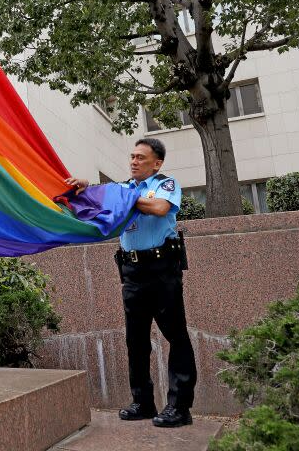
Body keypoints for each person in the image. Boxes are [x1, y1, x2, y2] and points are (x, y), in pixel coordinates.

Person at [65, 138, 197, 428]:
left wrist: (121, 199)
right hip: (132, 270)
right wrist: (86, 188)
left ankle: (179, 407)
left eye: (141, 157)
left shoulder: (165, 184)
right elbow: (99, 197)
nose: (134, 162)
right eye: (132, 157)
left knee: (176, 336)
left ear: (157, 163)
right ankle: (143, 402)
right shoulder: (123, 188)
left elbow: (160, 208)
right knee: (135, 340)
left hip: (162, 268)